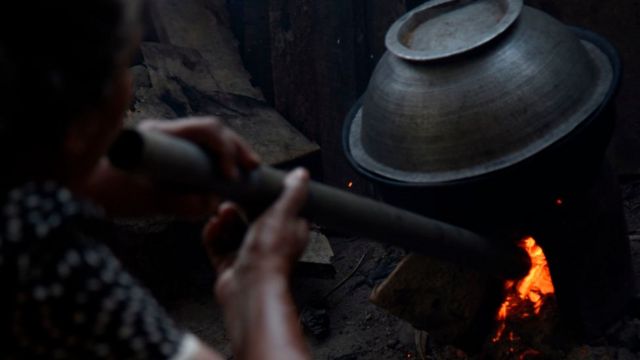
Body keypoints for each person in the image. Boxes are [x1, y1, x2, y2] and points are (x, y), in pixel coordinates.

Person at [0, 0, 311, 359]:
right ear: (80, 124)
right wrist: (261, 279)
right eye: (122, 65)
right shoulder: (51, 270)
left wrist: (97, 181)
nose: (129, 87)